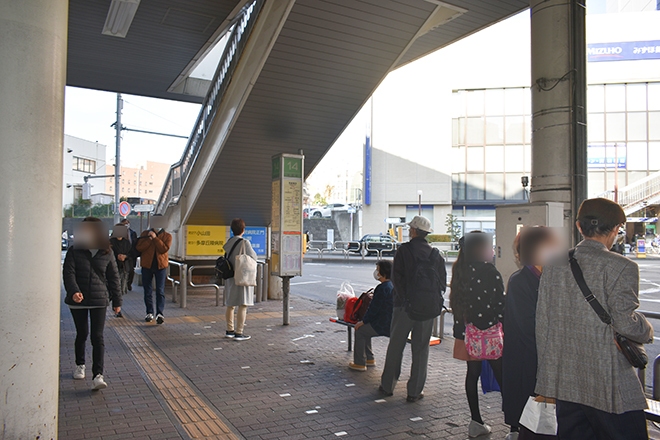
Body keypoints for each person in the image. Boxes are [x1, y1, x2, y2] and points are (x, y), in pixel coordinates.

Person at [535, 198, 653, 440]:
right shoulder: (622, 266)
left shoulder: (554, 264)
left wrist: (547, 375)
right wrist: (646, 329)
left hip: (567, 380)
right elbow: (626, 323)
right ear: (616, 229)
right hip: (608, 381)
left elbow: (543, 324)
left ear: (579, 226)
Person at [379, 216, 446, 402]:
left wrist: (405, 300)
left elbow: (396, 279)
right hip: (427, 309)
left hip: (404, 308)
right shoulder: (435, 255)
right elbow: (442, 283)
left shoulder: (404, 251)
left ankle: (388, 386)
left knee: (396, 346)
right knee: (421, 349)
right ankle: (415, 392)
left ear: (414, 231)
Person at [502, 227, 560, 440]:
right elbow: (528, 327)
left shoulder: (553, 277)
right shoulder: (520, 281)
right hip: (528, 362)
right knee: (531, 420)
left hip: (545, 361)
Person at [450, 231, 505, 438]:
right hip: (491, 334)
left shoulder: (460, 270)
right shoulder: (490, 271)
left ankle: (476, 422)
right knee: (502, 376)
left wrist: (460, 332)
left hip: (470, 334)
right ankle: (514, 426)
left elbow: (456, 304)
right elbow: (500, 305)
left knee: (472, 375)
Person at [63, 217, 122, 390]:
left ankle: (98, 375)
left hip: (99, 299)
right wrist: (74, 291)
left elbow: (114, 277)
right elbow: (68, 273)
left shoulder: (107, 251)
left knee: (97, 336)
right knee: (82, 333)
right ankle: (80, 364)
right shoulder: (74, 250)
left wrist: (117, 301)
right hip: (78, 300)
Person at [348, 260, 394, 371]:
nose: (376, 272)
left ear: (383, 272)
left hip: (383, 325)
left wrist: (363, 321)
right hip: (391, 322)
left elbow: (374, 309)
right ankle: (369, 358)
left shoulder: (382, 288)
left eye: (378, 270)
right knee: (365, 329)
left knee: (360, 330)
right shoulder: (392, 285)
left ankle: (359, 363)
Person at [224, 218, 257, 341]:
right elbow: (253, 257)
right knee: (243, 304)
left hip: (230, 275)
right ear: (243, 229)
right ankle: (239, 332)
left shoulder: (229, 242)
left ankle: (229, 330)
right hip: (242, 275)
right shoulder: (244, 242)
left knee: (230, 304)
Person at [136, 216, 172, 325]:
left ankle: (160, 313)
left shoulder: (167, 236)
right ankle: (149, 312)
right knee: (147, 290)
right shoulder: (145, 234)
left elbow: (163, 249)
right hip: (147, 266)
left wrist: (155, 239)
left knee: (160, 291)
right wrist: (149, 239)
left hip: (161, 267)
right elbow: (139, 248)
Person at [110, 224, 132, 317]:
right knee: (115, 288)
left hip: (124, 268)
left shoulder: (127, 242)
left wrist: (125, 256)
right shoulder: (110, 242)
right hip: (113, 268)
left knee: (121, 289)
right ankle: (116, 308)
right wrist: (116, 256)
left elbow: (131, 254)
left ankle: (116, 305)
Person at [119, 218, 139, 291]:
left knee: (131, 270)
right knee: (123, 270)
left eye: (127, 223)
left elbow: (135, 244)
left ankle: (129, 284)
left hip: (131, 255)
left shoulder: (133, 233)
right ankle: (122, 285)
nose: (126, 225)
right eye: (124, 224)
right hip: (121, 254)